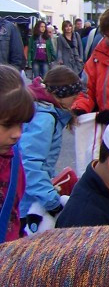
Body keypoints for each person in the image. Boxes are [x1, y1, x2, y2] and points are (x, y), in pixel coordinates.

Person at [17, 67, 81, 233]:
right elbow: (30, 163)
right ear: (62, 94)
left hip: (28, 194)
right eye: (73, 98)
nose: (74, 103)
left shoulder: (40, 108)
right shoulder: (45, 118)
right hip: (28, 200)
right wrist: (51, 201)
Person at [0, 65, 33, 242]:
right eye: (7, 125)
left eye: (20, 124)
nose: (17, 134)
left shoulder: (12, 158)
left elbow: (13, 212)